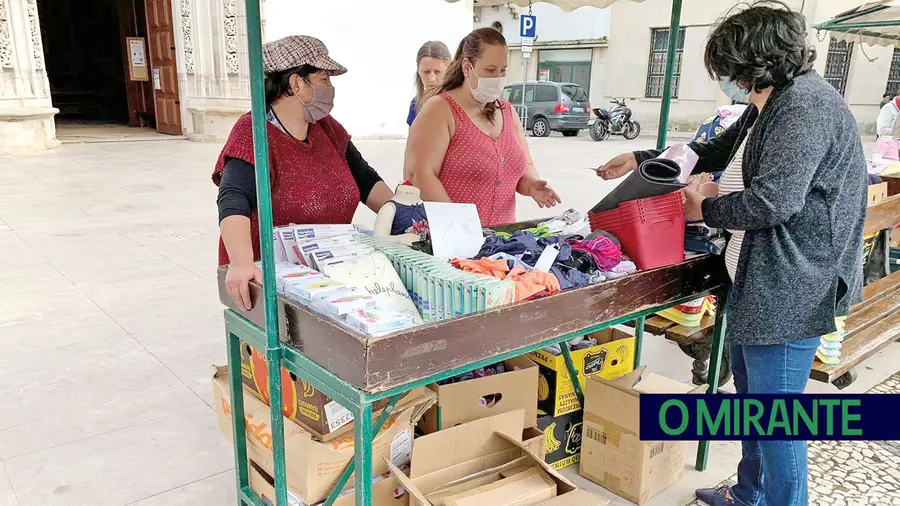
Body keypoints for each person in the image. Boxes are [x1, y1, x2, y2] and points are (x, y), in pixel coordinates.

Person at [597, 3, 866, 505]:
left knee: (778, 419)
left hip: (792, 285)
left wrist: (705, 207)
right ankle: (749, 494)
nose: (727, 81)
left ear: (757, 62)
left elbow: (772, 202)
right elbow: (713, 149)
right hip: (760, 278)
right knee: (751, 403)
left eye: (729, 71)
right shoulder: (769, 100)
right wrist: (639, 158)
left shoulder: (804, 107)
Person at [214, 35, 393, 310]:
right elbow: (233, 198)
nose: (330, 88)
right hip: (275, 283)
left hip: (334, 274)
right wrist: (240, 263)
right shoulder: (253, 133)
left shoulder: (327, 128)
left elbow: (365, 179)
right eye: (323, 79)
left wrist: (403, 213)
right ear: (296, 84)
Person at [404, 27, 560, 227]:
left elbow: (524, 166)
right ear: (467, 68)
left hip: (502, 241)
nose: (498, 77)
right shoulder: (440, 109)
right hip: (451, 242)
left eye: (503, 70)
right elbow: (420, 174)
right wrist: (460, 226)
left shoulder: (507, 112)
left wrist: (532, 186)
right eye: (490, 70)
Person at [407, 41, 452, 127]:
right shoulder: (415, 104)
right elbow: (412, 140)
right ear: (418, 71)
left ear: (449, 70)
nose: (431, 79)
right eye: (426, 72)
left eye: (438, 72)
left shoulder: (461, 103)